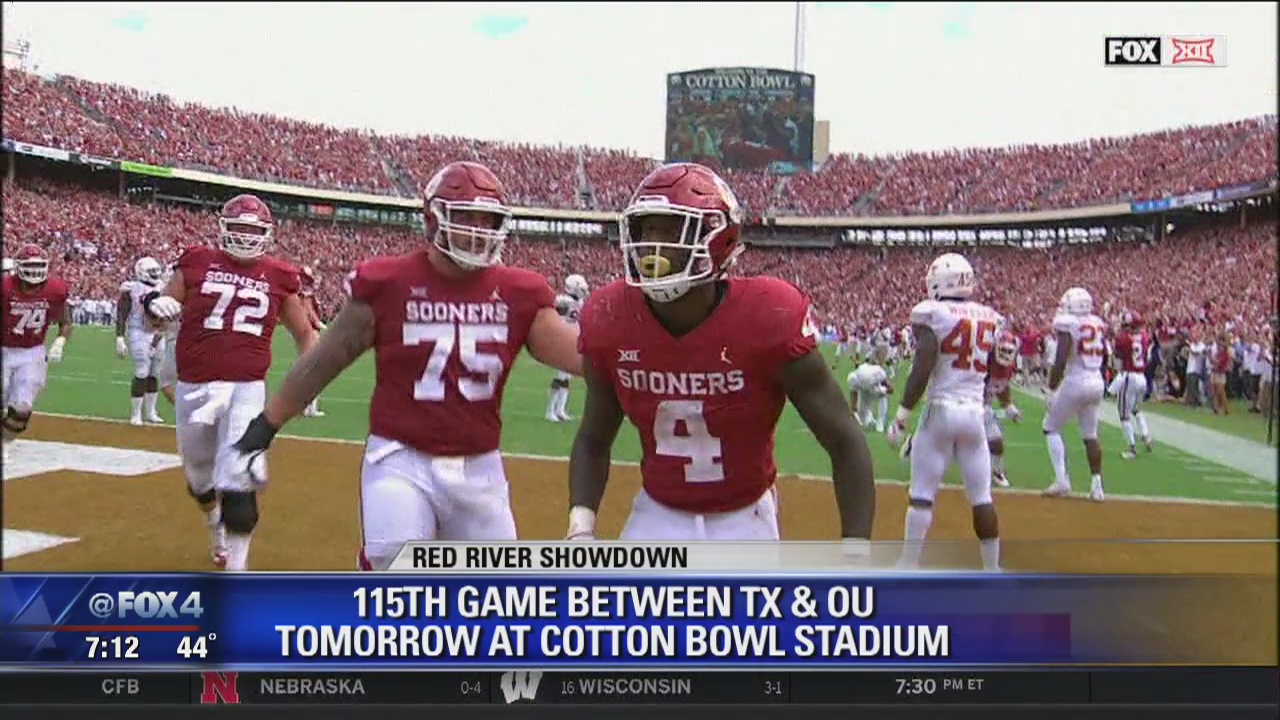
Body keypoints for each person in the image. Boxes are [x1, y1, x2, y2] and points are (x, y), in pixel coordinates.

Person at [224, 161, 581, 570]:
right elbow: (325, 360)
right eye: (466, 218)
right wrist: (264, 426)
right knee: (397, 565)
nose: (478, 230)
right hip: (401, 457)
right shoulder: (389, 283)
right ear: (434, 219)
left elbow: (584, 355)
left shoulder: (520, 291)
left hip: (479, 466)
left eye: (489, 220)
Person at [568, 162, 875, 549]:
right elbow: (593, 438)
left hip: (745, 520)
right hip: (656, 514)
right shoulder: (609, 315)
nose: (653, 244)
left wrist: (857, 554)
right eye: (647, 228)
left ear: (719, 238)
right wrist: (580, 528)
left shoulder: (768, 315)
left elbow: (844, 439)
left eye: (672, 229)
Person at [143, 194, 319, 570]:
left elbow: (306, 334)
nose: (244, 236)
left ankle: (237, 571)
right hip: (195, 385)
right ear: (223, 228)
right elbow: (158, 314)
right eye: (237, 228)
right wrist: (156, 308)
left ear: (266, 234)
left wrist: (307, 382)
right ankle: (214, 529)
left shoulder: (278, 275)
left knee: (238, 475)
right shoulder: (197, 261)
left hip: (246, 387)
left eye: (252, 230)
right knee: (199, 477)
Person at [886, 252, 1003, 571]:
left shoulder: (932, 312)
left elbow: (923, 363)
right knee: (982, 497)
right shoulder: (989, 315)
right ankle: (992, 570)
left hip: (940, 408)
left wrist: (902, 414)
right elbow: (992, 367)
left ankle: (909, 564)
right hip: (974, 411)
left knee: (922, 493)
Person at [2, 243, 72, 463]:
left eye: (39, 266)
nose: (34, 271)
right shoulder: (5, 288)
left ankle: (4, 443)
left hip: (32, 351)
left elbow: (65, 321)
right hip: (3, 348)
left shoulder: (55, 290)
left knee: (22, 408)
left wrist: (60, 341)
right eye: (29, 266)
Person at [1041, 287, 1107, 502]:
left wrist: (1051, 388)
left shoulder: (1068, 322)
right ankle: (1097, 487)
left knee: (1050, 427)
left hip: (1076, 378)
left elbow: (1060, 359)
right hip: (1096, 379)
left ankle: (1062, 480)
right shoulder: (1097, 323)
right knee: (1090, 436)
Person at [116, 256, 167, 425]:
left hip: (158, 332)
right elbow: (122, 314)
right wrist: (120, 338)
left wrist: (162, 331)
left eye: (156, 271)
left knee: (154, 374)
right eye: (151, 271)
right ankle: (136, 413)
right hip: (139, 331)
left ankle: (151, 411)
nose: (156, 274)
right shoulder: (131, 288)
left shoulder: (163, 286)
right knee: (142, 372)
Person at [1108, 310, 1153, 458]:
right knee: (1136, 409)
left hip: (1129, 376)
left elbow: (1118, 360)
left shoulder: (1123, 338)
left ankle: (1132, 448)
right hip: (1142, 377)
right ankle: (1146, 435)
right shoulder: (1145, 337)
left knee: (1123, 415)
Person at [546, 273, 588, 422]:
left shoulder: (581, 302)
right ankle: (550, 410)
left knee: (566, 378)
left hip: (572, 340)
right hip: (562, 340)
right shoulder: (563, 301)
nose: (583, 290)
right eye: (580, 287)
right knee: (560, 377)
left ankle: (560, 410)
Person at [984, 329, 1021, 488]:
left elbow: (1002, 386)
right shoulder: (984, 362)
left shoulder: (1008, 367)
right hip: (966, 402)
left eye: (1009, 351)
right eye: (1003, 349)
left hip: (982, 406)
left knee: (996, 440)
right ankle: (915, 447)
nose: (1006, 354)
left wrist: (1008, 406)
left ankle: (997, 471)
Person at [298, 266, 327, 418]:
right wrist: (320, 324)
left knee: (309, 369)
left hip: (306, 330)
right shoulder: (305, 293)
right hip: (310, 330)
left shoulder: (299, 292)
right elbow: (308, 311)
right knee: (314, 369)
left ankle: (308, 407)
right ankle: (310, 408)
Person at [848, 361, 891, 433]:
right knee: (862, 417)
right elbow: (853, 403)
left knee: (882, 397)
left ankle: (880, 423)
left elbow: (891, 389)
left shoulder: (879, 373)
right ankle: (869, 419)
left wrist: (883, 390)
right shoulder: (854, 379)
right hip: (864, 390)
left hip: (876, 387)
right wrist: (854, 412)